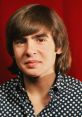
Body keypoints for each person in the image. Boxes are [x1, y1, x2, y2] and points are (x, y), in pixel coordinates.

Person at [0, 4, 81, 117]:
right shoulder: (1, 97)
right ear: (12, 50)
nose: (29, 51)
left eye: (40, 40)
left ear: (59, 46)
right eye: (21, 42)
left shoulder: (79, 97)